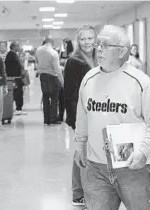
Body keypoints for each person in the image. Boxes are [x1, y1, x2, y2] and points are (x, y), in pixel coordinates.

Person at [74, 25, 150, 210]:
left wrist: (144, 151)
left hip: (132, 166)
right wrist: (79, 145)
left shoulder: (139, 82)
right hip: (96, 166)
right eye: (98, 44)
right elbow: (83, 115)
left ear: (121, 51)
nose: (98, 48)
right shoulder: (89, 79)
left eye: (105, 44)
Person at [63, 25, 98, 206]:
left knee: (95, 151)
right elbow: (69, 93)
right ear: (78, 41)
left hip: (99, 112)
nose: (87, 43)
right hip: (81, 113)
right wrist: (75, 120)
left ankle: (95, 189)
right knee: (81, 151)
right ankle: (78, 193)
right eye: (83, 39)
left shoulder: (99, 58)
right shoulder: (73, 61)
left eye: (90, 38)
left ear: (95, 39)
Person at [35, 36, 64, 125]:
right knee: (54, 98)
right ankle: (53, 119)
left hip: (42, 76)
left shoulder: (38, 50)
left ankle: (46, 119)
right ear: (51, 42)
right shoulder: (54, 53)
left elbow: (37, 62)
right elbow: (57, 70)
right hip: (52, 77)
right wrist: (62, 82)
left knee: (45, 97)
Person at [5, 41, 26, 115]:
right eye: (17, 46)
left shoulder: (14, 55)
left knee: (17, 93)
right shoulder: (11, 55)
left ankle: (18, 108)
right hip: (14, 78)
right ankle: (17, 108)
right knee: (16, 93)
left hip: (16, 77)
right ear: (13, 47)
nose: (19, 47)